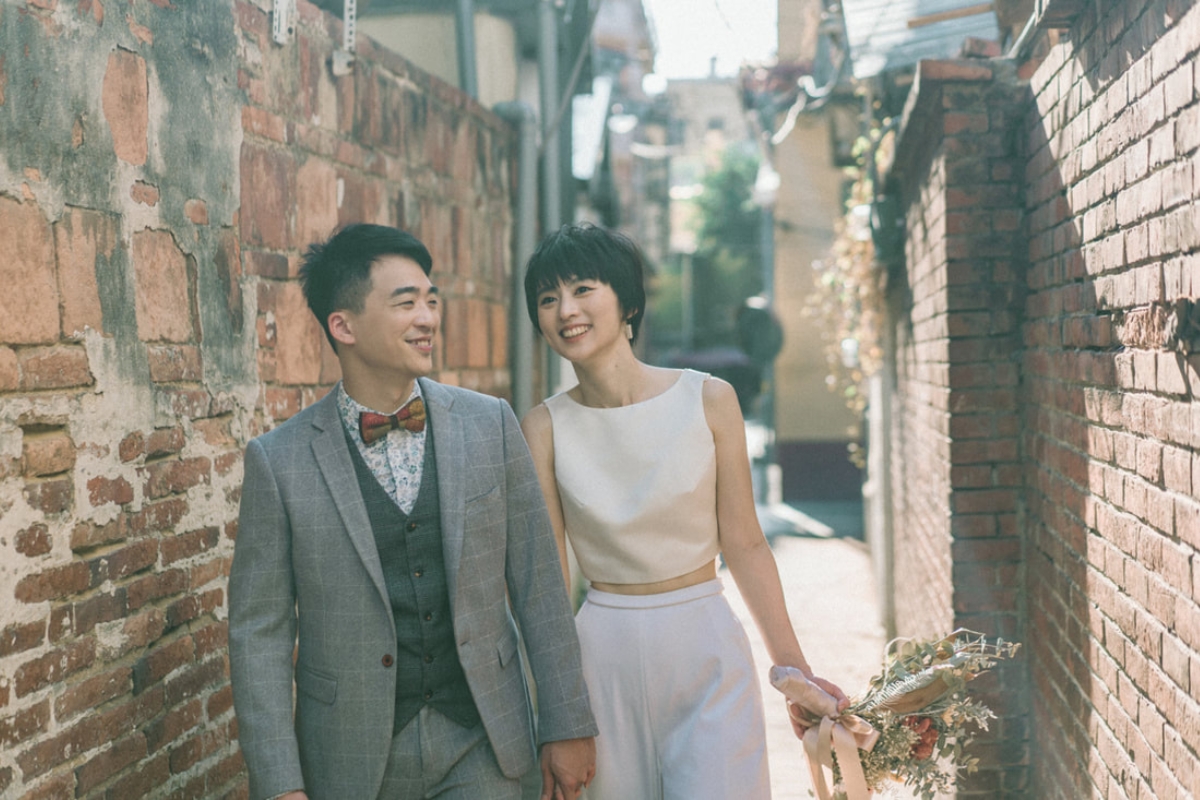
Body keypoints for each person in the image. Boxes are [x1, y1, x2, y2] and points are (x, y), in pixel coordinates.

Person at [228, 224, 598, 800]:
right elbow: (260, 634)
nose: (428, 318)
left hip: (484, 741)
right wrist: (279, 784)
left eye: (431, 300)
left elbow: (538, 583)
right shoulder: (279, 463)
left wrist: (567, 724)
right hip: (352, 759)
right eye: (406, 303)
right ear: (343, 325)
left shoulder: (490, 424)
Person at [520, 223, 847, 800]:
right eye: (548, 299)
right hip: (600, 656)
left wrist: (794, 672)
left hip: (704, 643)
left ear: (628, 303)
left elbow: (745, 544)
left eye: (583, 289)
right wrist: (556, 714)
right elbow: (548, 582)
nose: (565, 310)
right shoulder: (543, 427)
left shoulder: (709, 399)